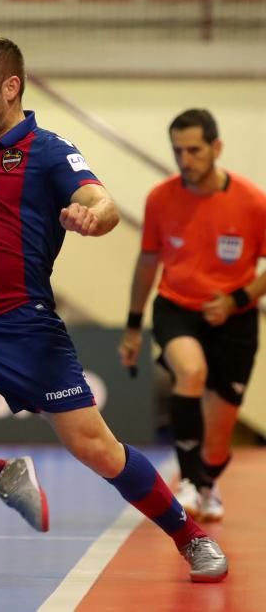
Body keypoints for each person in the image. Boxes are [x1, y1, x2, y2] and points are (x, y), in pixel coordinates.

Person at [0, 35, 228, 583]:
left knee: (97, 449)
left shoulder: (48, 150)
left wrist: (93, 217)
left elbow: (100, 202)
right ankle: (1, 477)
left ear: (11, 88)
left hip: (24, 329)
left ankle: (189, 536)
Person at [119, 108, 266, 523]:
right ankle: (187, 481)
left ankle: (207, 482)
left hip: (235, 318)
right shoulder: (160, 198)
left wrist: (236, 299)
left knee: (217, 440)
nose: (186, 160)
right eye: (178, 151)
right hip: (177, 307)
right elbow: (148, 263)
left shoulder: (252, 202)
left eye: (195, 150)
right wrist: (132, 326)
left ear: (216, 148)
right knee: (191, 371)